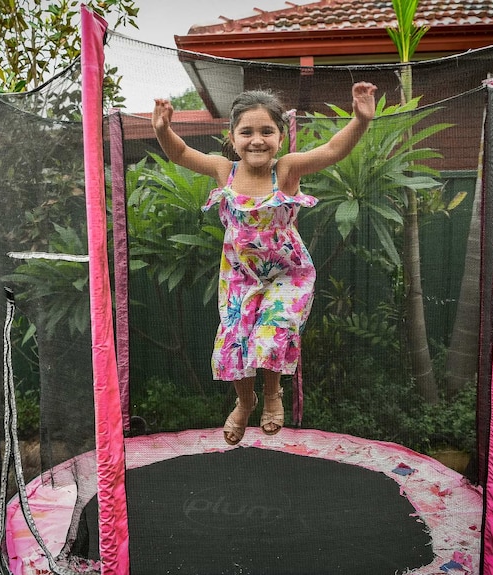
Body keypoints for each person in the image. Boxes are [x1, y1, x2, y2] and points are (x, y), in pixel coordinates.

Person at [151, 82, 377, 445]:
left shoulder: (286, 170)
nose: (257, 140)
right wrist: (162, 130)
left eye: (267, 131)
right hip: (241, 276)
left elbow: (333, 149)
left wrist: (361, 120)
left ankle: (272, 395)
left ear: (282, 136)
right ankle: (245, 401)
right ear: (232, 137)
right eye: (247, 132)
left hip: (286, 274)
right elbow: (180, 154)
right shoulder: (225, 171)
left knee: (272, 332)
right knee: (236, 343)